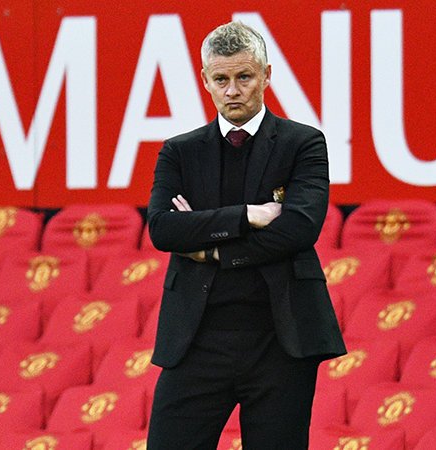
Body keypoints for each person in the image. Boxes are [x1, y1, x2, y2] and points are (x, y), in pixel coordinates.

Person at [145, 21, 346, 449]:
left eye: (244, 77)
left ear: (266, 75)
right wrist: (247, 216)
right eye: (221, 80)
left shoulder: (303, 143)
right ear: (205, 80)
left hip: (281, 341)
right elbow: (163, 228)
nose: (233, 91)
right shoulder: (179, 150)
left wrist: (212, 249)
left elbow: (299, 229)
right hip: (196, 340)